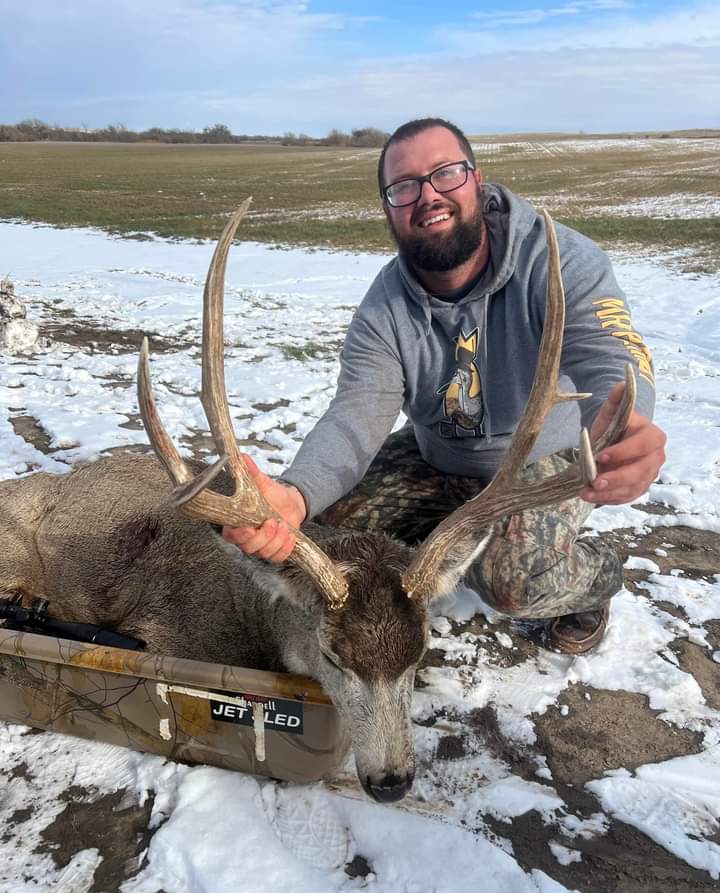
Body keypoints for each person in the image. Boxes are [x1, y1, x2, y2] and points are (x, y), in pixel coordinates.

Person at [223, 118, 666, 654]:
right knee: (326, 531)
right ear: (388, 208)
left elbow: (610, 353)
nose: (427, 196)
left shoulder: (559, 259)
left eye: (445, 174)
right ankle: (445, 540)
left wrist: (623, 421)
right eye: (403, 186)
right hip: (439, 454)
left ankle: (595, 580)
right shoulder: (384, 307)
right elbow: (357, 411)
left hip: (541, 460)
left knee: (513, 582)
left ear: (476, 180)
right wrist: (294, 494)